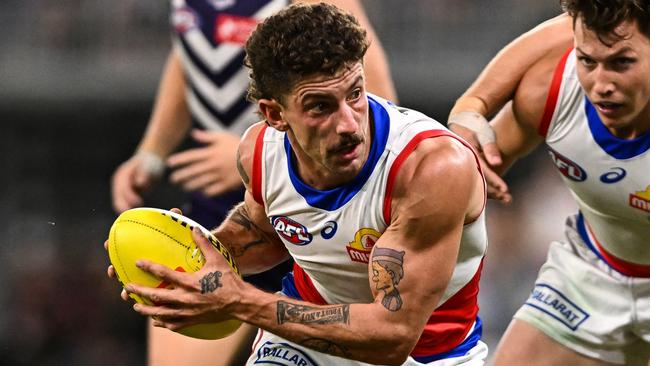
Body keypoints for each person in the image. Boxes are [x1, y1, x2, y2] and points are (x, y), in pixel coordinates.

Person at [109, 3, 490, 365]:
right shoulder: (258, 152)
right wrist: (183, 257)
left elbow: (392, 335)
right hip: (307, 339)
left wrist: (239, 300)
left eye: (355, 94)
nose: (349, 124)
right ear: (274, 114)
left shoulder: (433, 170)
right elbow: (269, 233)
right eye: (320, 106)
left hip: (426, 356)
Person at [448, 1, 650, 364]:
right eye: (587, 61)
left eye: (622, 63)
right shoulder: (552, 89)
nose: (601, 84)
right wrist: (470, 114)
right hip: (591, 272)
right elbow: (472, 179)